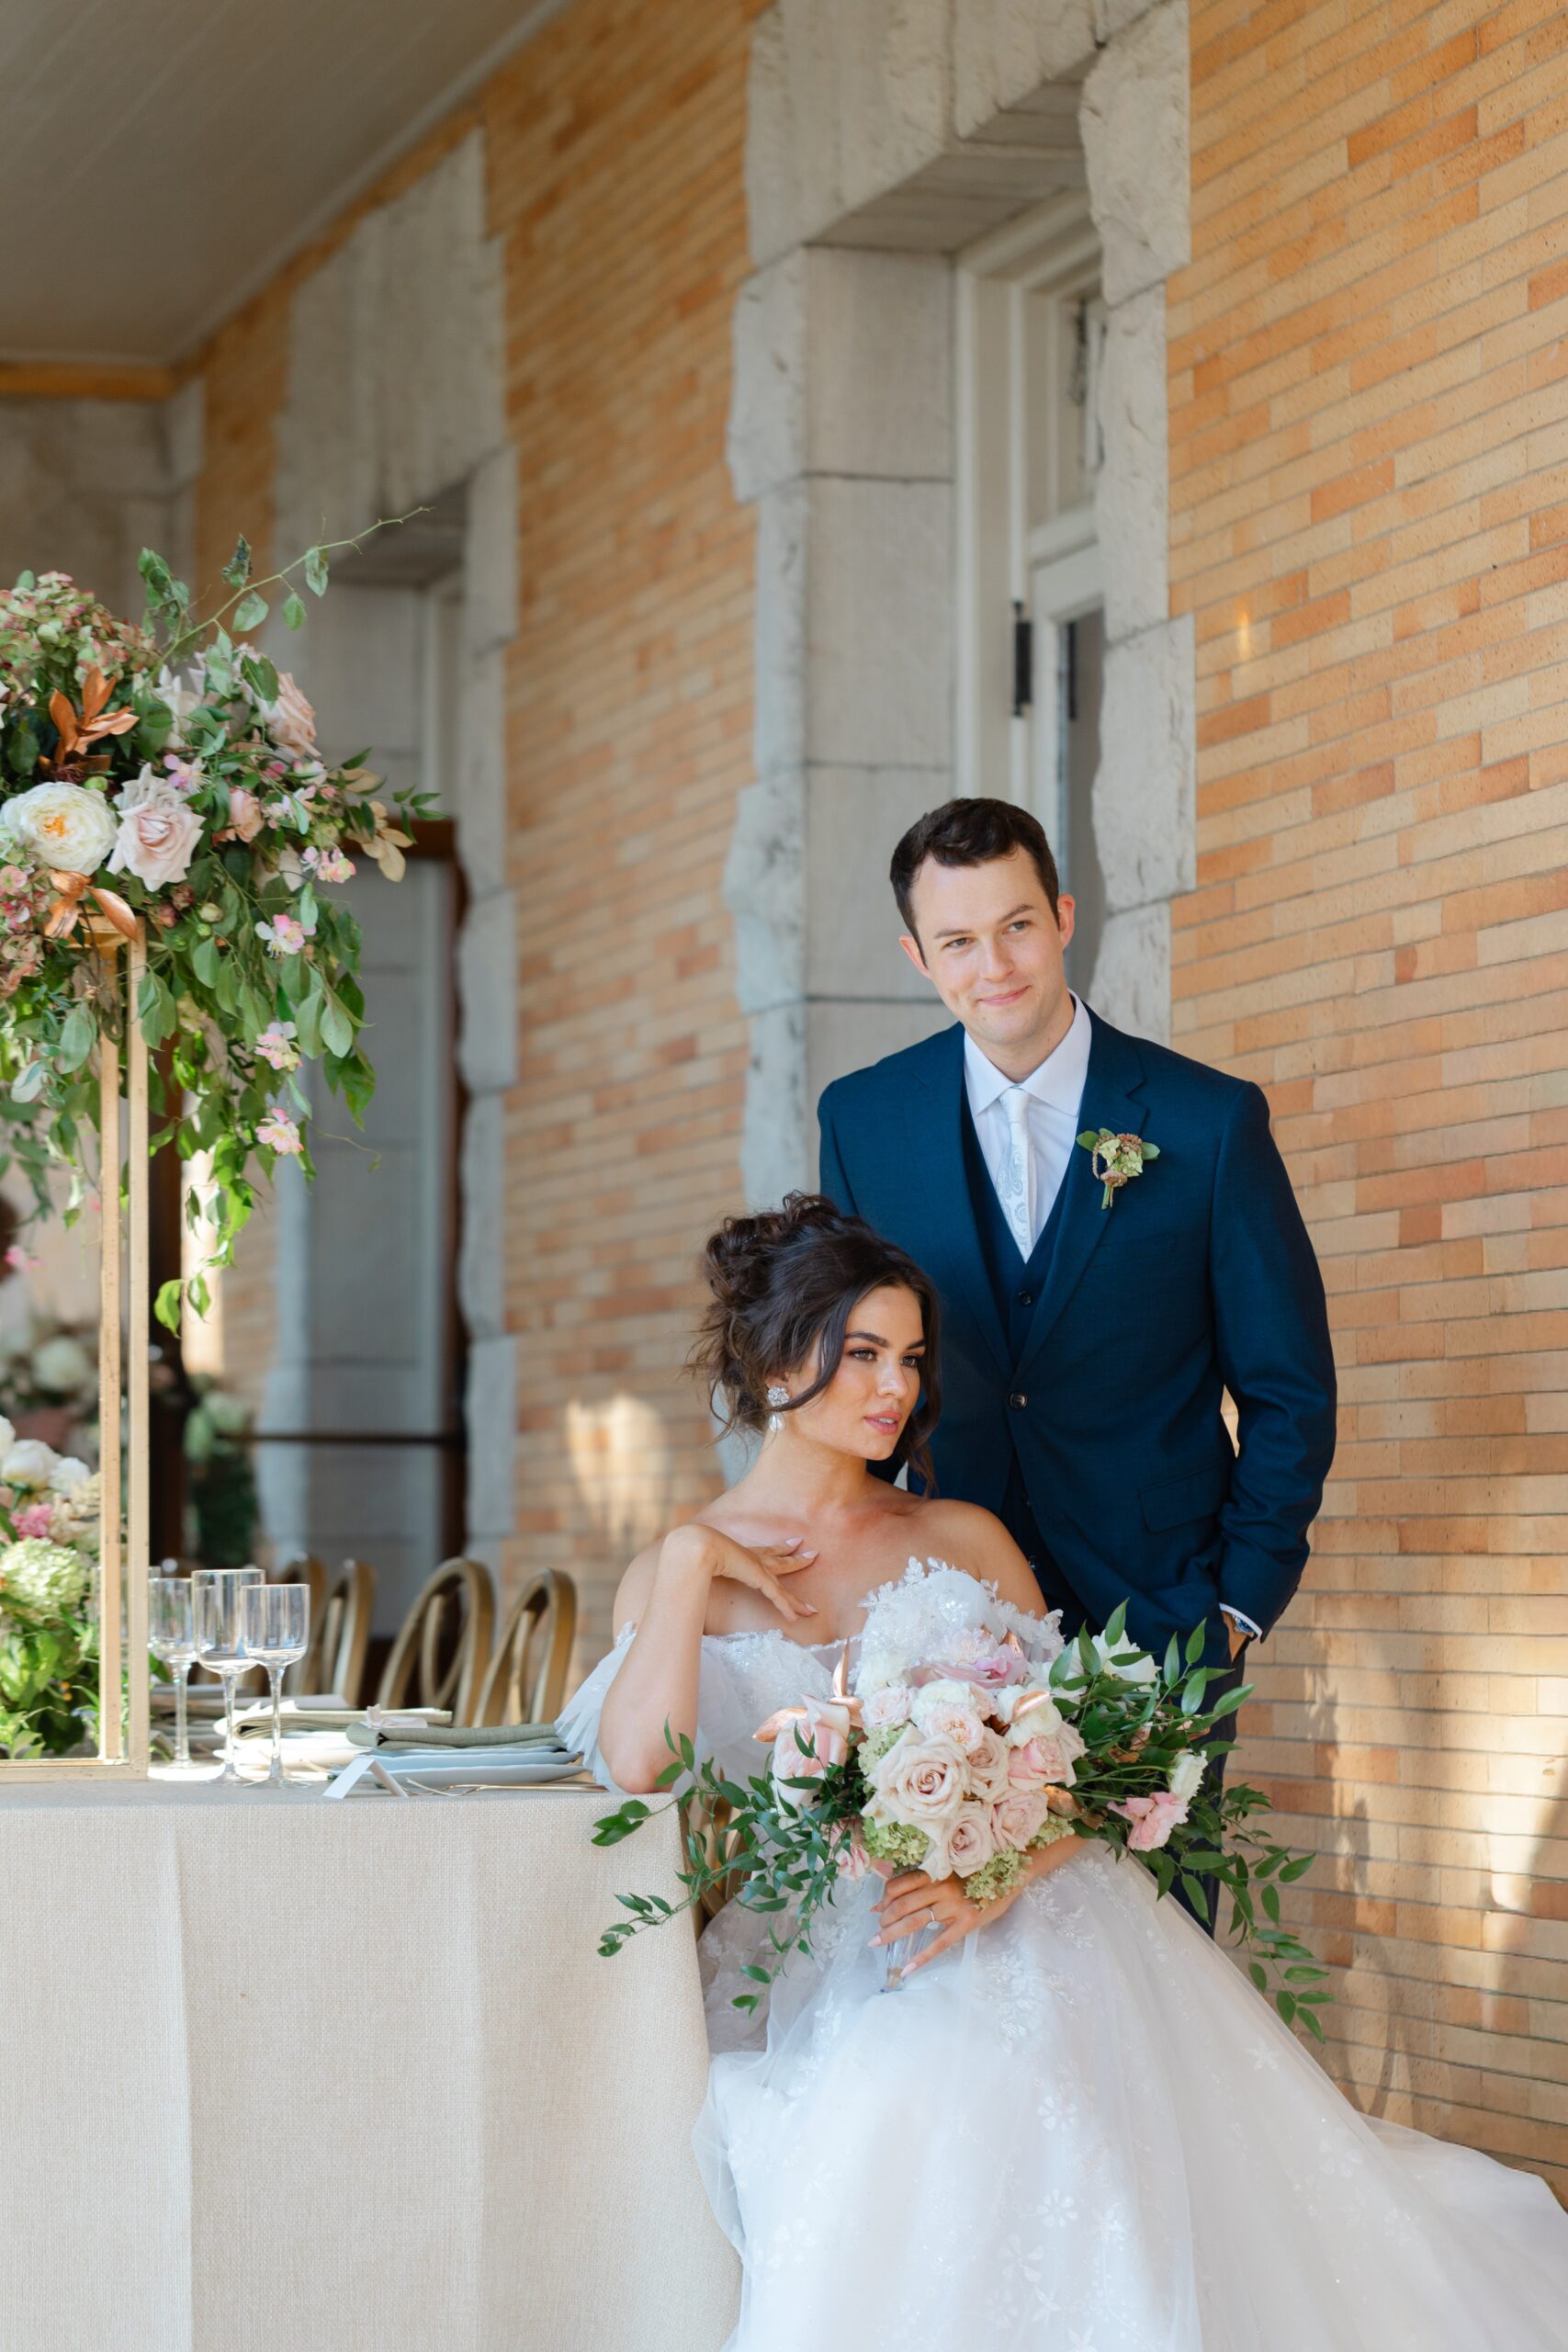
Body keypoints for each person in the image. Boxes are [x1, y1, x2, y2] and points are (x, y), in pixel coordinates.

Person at [559, 1196, 1568, 2350]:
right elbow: (639, 1767)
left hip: (1026, 1916)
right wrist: (690, 1561)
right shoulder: (681, 1566)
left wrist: (993, 1878)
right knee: (887, 2092)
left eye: (913, 1358)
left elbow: (1100, 1768)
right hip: (819, 1949)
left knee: (972, 2069)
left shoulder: (962, 1535)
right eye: (866, 1354)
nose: (897, 1388)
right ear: (778, 1358)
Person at [818, 794, 1336, 1694]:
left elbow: (1288, 1387)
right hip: (938, 1627)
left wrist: (1237, 1609)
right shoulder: (862, 1121)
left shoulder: (1207, 1123)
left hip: (1162, 1621)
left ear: (1061, 917)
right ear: (918, 957)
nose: (995, 965)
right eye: (958, 941)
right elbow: (848, 1380)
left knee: (1157, 1849)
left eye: (1016, 925)